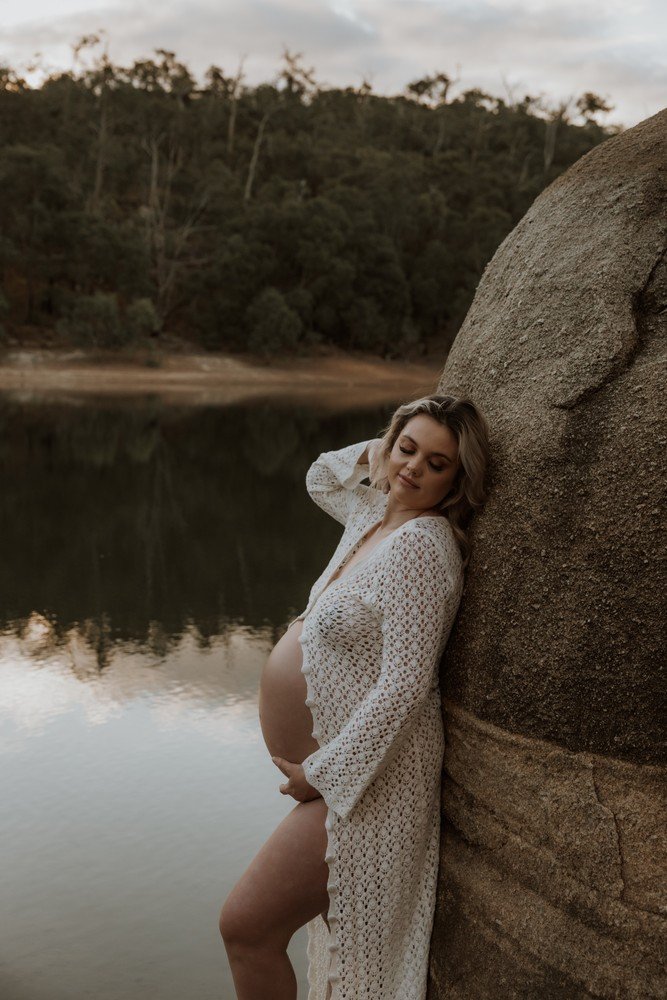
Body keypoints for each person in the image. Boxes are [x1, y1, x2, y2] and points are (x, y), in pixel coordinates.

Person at [220, 392, 491, 1000]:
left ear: (454, 483)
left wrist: (325, 773)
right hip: (340, 786)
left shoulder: (424, 546)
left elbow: (405, 683)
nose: (414, 468)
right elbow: (320, 474)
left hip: (367, 790)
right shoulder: (372, 518)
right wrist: (388, 449)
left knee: (247, 927)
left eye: (436, 464)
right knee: (305, 952)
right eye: (408, 449)